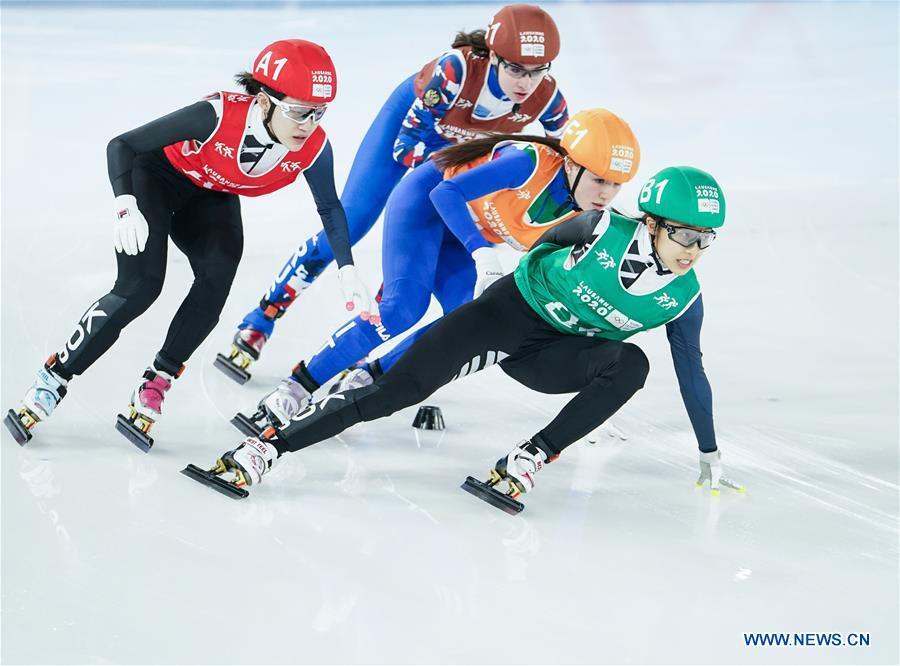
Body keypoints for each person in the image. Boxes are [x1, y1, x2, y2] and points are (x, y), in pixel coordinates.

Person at [185, 165, 744, 511]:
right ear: (651, 223)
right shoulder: (599, 227)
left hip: (554, 356)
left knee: (632, 363)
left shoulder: (683, 296)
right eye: (686, 235)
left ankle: (527, 460)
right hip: (506, 315)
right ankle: (266, 448)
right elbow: (545, 244)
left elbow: (691, 373)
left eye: (706, 239)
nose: (694, 251)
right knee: (395, 392)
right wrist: (499, 273)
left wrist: (709, 452)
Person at [4, 39, 373, 451]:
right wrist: (125, 204)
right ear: (264, 100)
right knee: (141, 287)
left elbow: (329, 207)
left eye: (319, 112)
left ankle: (157, 382)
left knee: (217, 277)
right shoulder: (216, 115)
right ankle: (52, 379)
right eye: (299, 111)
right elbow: (122, 145)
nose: (309, 124)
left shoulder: (314, 148)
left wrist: (347, 267)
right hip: (156, 180)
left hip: (210, 195)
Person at [231, 108, 640, 439]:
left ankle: (366, 377)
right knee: (401, 309)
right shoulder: (527, 164)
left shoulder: (589, 218)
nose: (606, 194)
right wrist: (481, 250)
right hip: (424, 208)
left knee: (463, 320)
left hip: (461, 238)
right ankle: (296, 387)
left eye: (616, 185)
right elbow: (445, 192)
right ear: (570, 164)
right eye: (599, 180)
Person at [215, 3, 570, 383]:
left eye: (537, 70)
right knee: (350, 225)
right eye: (515, 69)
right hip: (412, 138)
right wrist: (455, 174)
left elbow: (561, 164)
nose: (526, 83)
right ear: (493, 55)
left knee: (425, 257)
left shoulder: (549, 97)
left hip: (457, 156)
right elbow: (405, 148)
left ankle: (362, 346)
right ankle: (262, 318)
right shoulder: (456, 72)